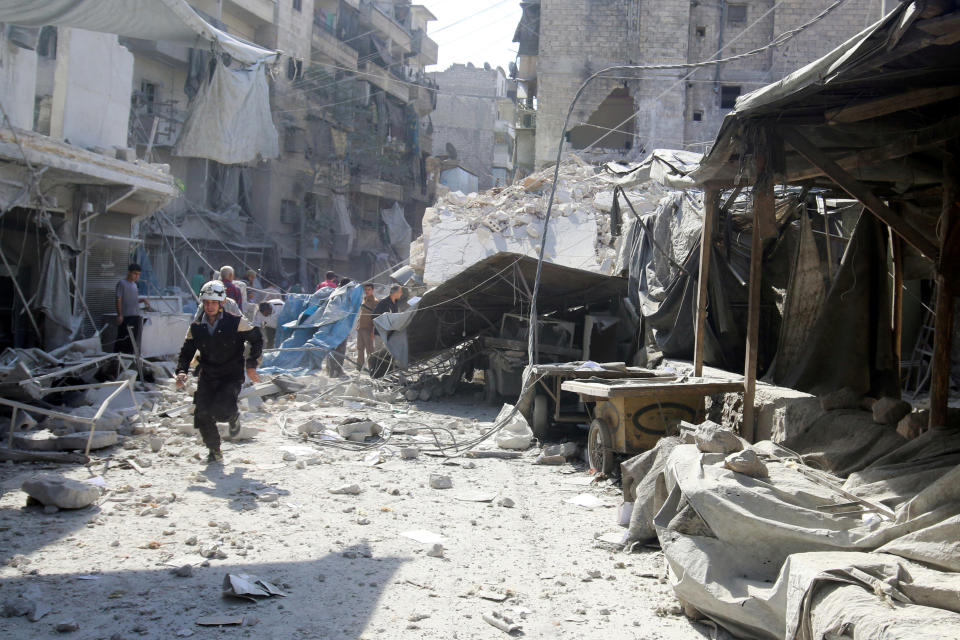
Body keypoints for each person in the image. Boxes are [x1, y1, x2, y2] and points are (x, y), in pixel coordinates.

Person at [175, 280, 263, 463]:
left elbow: (256, 338)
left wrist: (252, 364)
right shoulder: (196, 327)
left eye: (214, 302)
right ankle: (214, 450)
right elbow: (187, 351)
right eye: (206, 302)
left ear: (221, 303)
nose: (210, 306)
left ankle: (233, 417)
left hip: (231, 375)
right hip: (208, 375)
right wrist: (182, 371)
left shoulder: (235, 322)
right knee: (202, 413)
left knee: (222, 411)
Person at [115, 263, 152, 354]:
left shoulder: (134, 285)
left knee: (132, 341)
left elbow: (133, 300)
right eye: (135, 273)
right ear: (129, 272)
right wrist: (120, 315)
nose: (137, 276)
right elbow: (118, 299)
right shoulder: (122, 283)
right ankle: (117, 358)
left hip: (135, 315)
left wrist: (143, 300)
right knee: (122, 339)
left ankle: (129, 358)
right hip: (126, 316)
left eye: (138, 274)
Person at [356, 283, 377, 372]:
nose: (367, 291)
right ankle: (359, 367)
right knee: (360, 349)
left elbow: (375, 318)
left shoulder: (375, 302)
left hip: (368, 329)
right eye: (365, 290)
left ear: (372, 290)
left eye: (369, 289)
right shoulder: (364, 299)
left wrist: (373, 331)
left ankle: (372, 368)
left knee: (369, 350)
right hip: (361, 328)